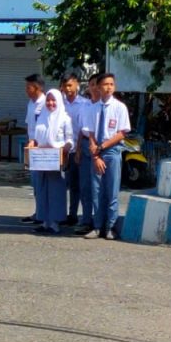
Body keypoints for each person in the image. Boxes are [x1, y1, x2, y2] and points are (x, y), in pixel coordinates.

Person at [81, 73, 131, 240]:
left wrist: (102, 147)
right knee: (96, 191)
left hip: (112, 152)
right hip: (96, 153)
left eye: (111, 84)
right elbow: (91, 134)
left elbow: (121, 133)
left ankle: (110, 227)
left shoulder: (119, 107)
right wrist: (95, 156)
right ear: (98, 87)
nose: (109, 87)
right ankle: (97, 226)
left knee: (111, 191)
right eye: (105, 84)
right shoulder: (93, 108)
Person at [29, 89, 74, 233]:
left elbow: (70, 139)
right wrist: (32, 143)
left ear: (59, 101)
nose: (50, 103)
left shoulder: (65, 118)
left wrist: (66, 148)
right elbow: (37, 138)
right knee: (42, 190)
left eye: (53, 100)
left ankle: (55, 222)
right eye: (48, 100)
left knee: (56, 191)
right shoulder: (41, 117)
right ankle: (44, 221)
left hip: (56, 160)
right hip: (41, 160)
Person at [60, 73, 89, 228]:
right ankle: (59, 213)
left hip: (76, 150)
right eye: (65, 86)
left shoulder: (84, 104)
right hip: (60, 150)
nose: (68, 89)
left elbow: (82, 130)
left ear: (77, 84)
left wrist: (78, 151)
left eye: (70, 85)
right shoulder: (59, 103)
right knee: (61, 184)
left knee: (77, 185)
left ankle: (75, 215)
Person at [74, 74, 102, 235]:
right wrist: (78, 149)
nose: (94, 87)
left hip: (99, 146)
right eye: (91, 84)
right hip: (84, 143)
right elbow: (80, 129)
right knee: (84, 186)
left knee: (97, 186)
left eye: (97, 84)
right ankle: (86, 220)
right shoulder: (84, 105)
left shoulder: (104, 106)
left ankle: (99, 221)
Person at [20, 74, 46, 224]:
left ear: (38, 88)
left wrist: (35, 141)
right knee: (35, 183)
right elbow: (29, 125)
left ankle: (44, 214)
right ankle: (39, 212)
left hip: (42, 148)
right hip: (31, 147)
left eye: (28, 87)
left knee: (42, 183)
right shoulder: (31, 103)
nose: (26, 90)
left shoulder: (46, 103)